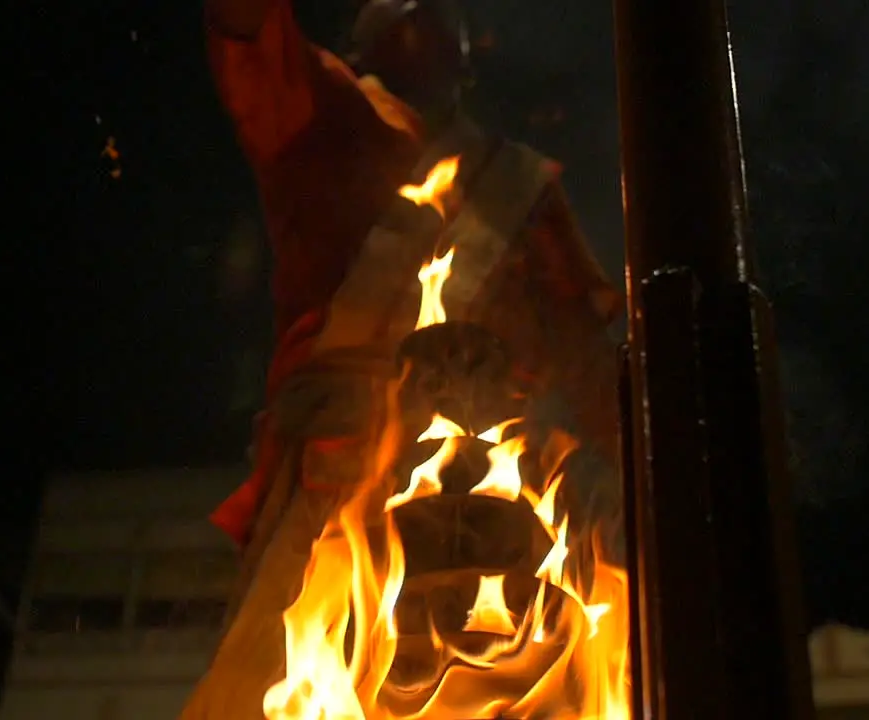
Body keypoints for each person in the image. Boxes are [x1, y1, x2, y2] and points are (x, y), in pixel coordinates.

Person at [180, 0, 621, 716]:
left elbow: (590, 359)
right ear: (360, 41)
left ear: (470, 52)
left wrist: (634, 483)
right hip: (334, 470)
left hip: (494, 497)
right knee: (271, 675)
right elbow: (247, 34)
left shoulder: (521, 187)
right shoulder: (319, 117)